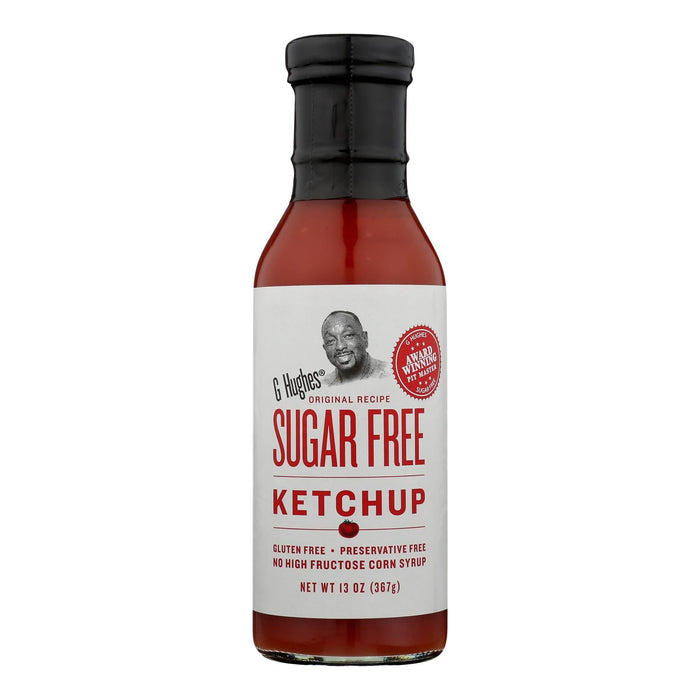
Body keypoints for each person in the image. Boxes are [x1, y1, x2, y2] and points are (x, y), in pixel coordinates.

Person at [321, 311, 389, 386]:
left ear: (365, 338)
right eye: (331, 341)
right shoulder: (324, 386)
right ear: (325, 348)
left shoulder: (390, 375)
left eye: (348, 336)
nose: (340, 346)